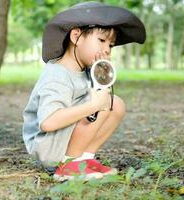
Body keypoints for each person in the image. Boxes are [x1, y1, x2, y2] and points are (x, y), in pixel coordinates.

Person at [22, 1, 146, 181]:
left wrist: (102, 74)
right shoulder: (58, 75)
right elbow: (48, 122)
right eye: (102, 41)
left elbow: (102, 98)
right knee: (102, 103)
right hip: (48, 143)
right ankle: (69, 164)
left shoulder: (85, 71)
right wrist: (93, 105)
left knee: (115, 103)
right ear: (75, 37)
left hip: (63, 137)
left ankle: (83, 159)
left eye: (110, 45)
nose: (106, 50)